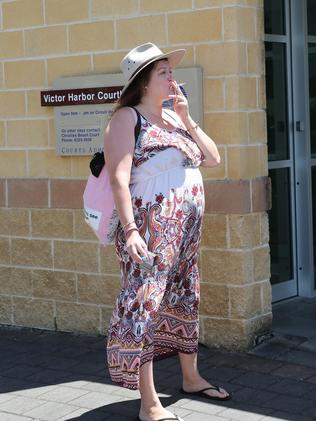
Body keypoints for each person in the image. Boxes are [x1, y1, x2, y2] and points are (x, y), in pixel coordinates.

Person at [104, 43, 230, 421]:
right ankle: (149, 404)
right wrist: (130, 230)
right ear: (143, 82)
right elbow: (118, 179)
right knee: (146, 304)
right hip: (149, 232)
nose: (172, 76)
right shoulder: (127, 119)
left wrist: (187, 118)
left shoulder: (173, 119)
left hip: (185, 235)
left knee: (185, 297)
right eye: (163, 72)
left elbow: (212, 158)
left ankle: (191, 378)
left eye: (170, 71)